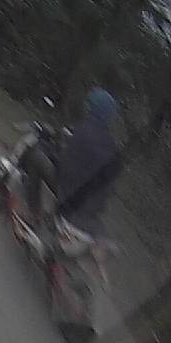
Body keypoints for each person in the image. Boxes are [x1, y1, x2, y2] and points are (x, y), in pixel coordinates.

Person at [56, 87, 123, 239]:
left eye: (88, 104)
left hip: (70, 196)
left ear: (92, 108)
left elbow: (65, 166)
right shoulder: (111, 144)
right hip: (93, 207)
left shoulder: (83, 130)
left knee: (37, 157)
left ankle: (33, 214)